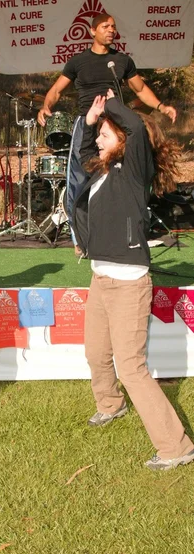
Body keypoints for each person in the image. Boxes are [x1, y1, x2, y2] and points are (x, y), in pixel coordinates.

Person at [72, 89, 194, 471]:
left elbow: (138, 130)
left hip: (128, 283)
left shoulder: (135, 169)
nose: (101, 136)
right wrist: (91, 122)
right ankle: (111, 405)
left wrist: (110, 104)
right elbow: (79, 157)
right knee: (95, 353)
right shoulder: (102, 171)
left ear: (123, 140)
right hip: (101, 278)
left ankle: (176, 446)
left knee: (131, 366)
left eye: (108, 131)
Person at [37, 12, 177, 256]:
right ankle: (79, 239)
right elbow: (57, 90)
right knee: (79, 180)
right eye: (105, 26)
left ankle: (123, 233)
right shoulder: (78, 61)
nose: (111, 30)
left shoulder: (121, 61)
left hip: (115, 122)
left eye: (113, 26)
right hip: (88, 123)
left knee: (121, 178)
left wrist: (161, 106)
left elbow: (141, 89)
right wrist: (46, 105)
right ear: (92, 31)